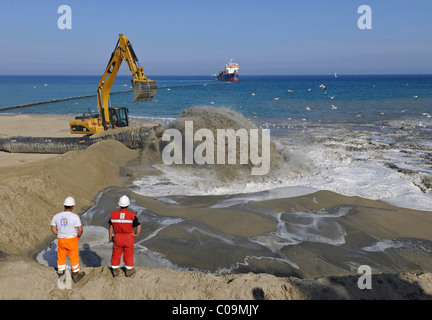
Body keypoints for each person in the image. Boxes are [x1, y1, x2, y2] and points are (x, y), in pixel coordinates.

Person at [50, 196, 85, 283]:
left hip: (61, 240)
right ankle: (76, 275)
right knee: (74, 258)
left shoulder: (57, 216)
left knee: (61, 257)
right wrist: (78, 237)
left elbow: (53, 227)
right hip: (72, 240)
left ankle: (61, 275)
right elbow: (80, 229)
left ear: (64, 205)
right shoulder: (75, 216)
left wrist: (58, 234)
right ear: (72, 206)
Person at [108, 195, 141, 277]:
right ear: (128, 204)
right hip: (129, 237)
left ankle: (115, 270)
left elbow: (110, 226)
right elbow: (139, 226)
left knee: (116, 253)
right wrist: (136, 234)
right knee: (128, 254)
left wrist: (110, 236)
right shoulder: (132, 215)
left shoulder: (113, 214)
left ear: (119, 204)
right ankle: (129, 271)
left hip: (117, 237)